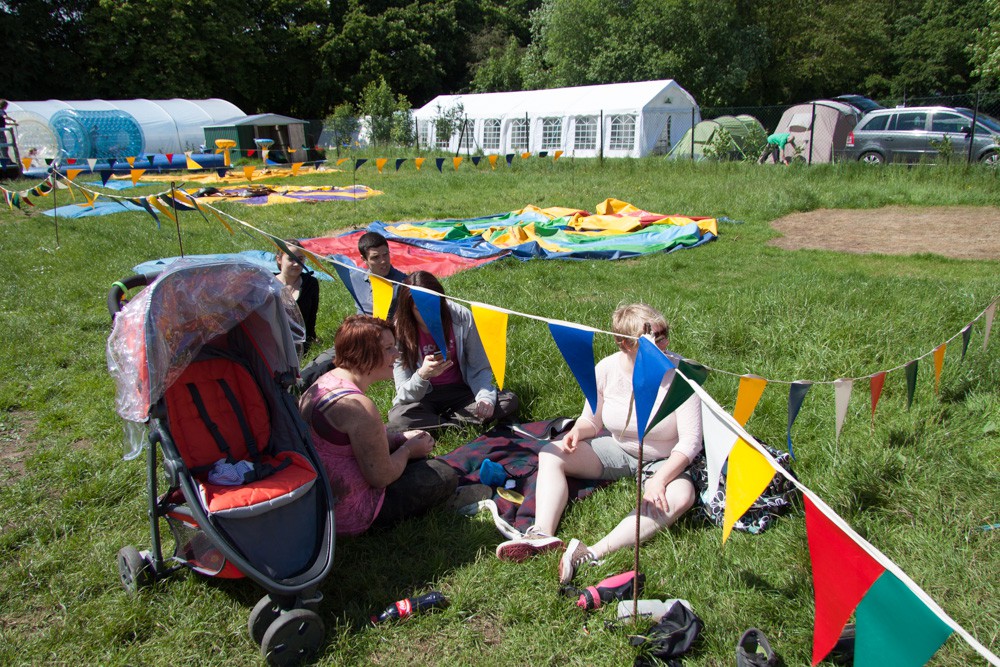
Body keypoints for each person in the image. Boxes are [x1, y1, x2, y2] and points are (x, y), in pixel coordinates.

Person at [495, 304, 703, 585]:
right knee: (551, 454)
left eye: (664, 335)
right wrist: (577, 432)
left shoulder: (682, 374)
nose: (663, 345)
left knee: (681, 497)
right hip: (619, 449)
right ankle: (541, 534)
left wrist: (660, 480)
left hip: (665, 457)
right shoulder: (606, 369)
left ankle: (591, 552)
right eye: (652, 339)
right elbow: (591, 420)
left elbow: (691, 441)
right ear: (624, 343)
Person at [298, 315, 458, 535]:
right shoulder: (358, 407)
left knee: (397, 431)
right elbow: (381, 477)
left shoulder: (324, 381)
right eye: (388, 348)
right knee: (444, 474)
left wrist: (399, 439)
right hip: (351, 512)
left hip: (320, 499)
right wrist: (408, 450)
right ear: (364, 354)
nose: (397, 354)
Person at [388, 271, 518, 431]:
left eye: (433, 306)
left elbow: (479, 367)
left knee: (508, 400)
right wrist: (422, 375)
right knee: (398, 418)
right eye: (419, 309)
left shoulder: (461, 317)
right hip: (424, 397)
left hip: (461, 391)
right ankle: (456, 423)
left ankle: (441, 424)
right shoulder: (399, 331)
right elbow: (402, 394)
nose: (428, 314)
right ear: (409, 310)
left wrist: (485, 399)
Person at [351, 231, 407, 321]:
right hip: (361, 326)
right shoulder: (356, 279)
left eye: (385, 254)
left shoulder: (402, 284)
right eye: (375, 257)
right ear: (364, 259)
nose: (383, 261)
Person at [275, 240, 319, 352]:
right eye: (291, 259)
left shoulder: (310, 283)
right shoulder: (268, 283)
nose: (296, 264)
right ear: (279, 259)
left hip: (301, 344)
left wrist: (311, 338)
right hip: (274, 342)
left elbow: (311, 317)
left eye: (300, 259)